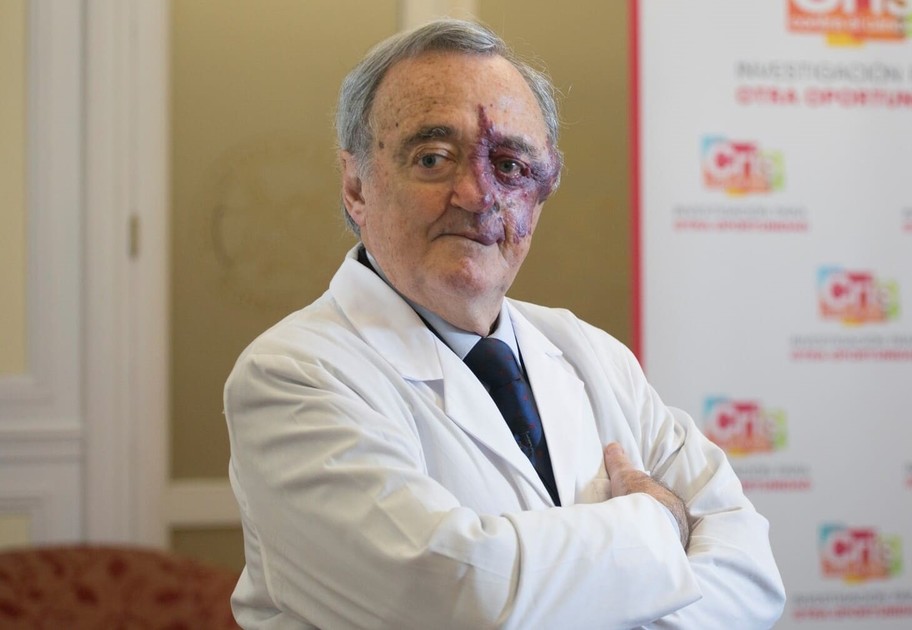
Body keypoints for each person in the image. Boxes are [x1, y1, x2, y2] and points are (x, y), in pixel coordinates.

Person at [224, 18, 785, 629]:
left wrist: (567, 591)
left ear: (542, 193)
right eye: (433, 158)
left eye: (512, 166)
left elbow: (752, 578)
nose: (477, 194)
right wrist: (662, 520)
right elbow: (459, 597)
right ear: (356, 186)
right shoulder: (290, 376)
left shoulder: (594, 356)